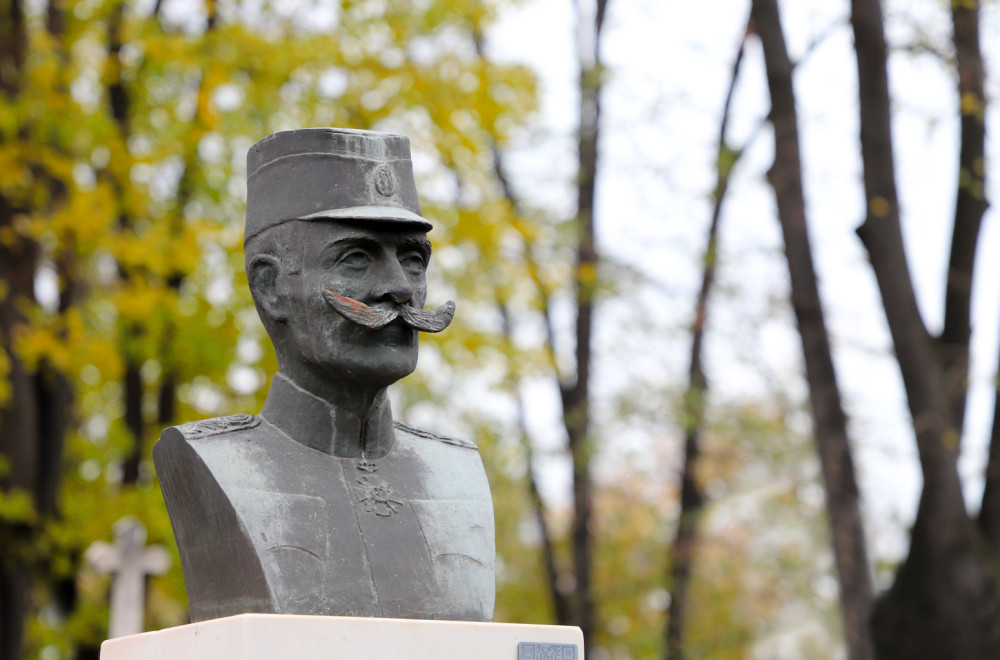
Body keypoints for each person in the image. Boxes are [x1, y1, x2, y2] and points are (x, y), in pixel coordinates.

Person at [153, 128, 495, 623]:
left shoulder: (459, 473)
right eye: (356, 258)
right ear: (271, 288)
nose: (400, 288)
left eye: (413, 259)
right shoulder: (211, 461)